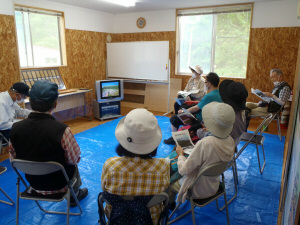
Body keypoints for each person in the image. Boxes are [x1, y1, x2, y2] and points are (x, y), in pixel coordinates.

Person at [9, 80, 88, 207]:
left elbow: (14, 160)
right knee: (73, 162)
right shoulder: (62, 130)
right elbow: (74, 160)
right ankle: (74, 197)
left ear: (32, 103)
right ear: (55, 104)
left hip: (33, 183)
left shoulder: (15, 128)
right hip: (60, 184)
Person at [101, 108, 170, 225]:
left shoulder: (110, 165)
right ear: (153, 142)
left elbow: (104, 189)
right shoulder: (163, 167)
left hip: (116, 219)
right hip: (150, 220)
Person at [168, 102, 235, 205]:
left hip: (195, 189)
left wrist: (181, 154)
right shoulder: (230, 141)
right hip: (213, 185)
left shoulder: (205, 144)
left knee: (167, 176)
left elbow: (183, 170)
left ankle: (169, 202)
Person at [164, 72, 222, 145]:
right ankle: (177, 137)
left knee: (174, 118)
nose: (205, 84)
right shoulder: (219, 93)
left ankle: (175, 139)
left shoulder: (209, 96)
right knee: (181, 106)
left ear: (210, 83)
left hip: (199, 119)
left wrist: (183, 112)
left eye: (206, 82)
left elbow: (196, 108)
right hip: (208, 118)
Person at [197, 80, 248, 145]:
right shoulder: (241, 113)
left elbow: (215, 137)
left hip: (219, 146)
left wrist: (203, 131)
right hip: (231, 146)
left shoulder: (228, 116)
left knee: (198, 131)